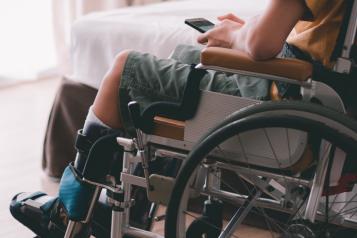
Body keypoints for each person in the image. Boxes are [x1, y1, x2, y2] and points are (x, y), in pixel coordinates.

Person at [10, 0, 347, 236]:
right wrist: (246, 29)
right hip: (316, 96)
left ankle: (68, 215)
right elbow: (292, 30)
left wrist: (235, 36)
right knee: (185, 55)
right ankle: (134, 205)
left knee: (122, 69)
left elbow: (261, 47)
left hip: (279, 100)